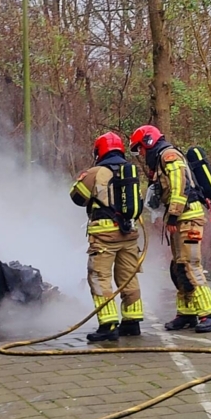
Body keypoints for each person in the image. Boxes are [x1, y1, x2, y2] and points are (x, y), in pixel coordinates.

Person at [129, 125, 211, 333]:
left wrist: (173, 214)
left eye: (140, 148)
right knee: (178, 267)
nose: (141, 154)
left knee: (190, 264)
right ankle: (187, 313)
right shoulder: (160, 159)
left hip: (188, 215)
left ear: (148, 142)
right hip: (182, 217)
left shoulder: (169, 156)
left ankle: (210, 313)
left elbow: (180, 187)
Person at [70, 132, 145, 342]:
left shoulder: (96, 172)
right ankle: (132, 322)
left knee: (99, 276)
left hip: (104, 235)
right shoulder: (130, 171)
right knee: (128, 276)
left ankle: (108, 324)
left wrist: (82, 180)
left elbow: (77, 198)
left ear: (99, 151)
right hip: (129, 234)